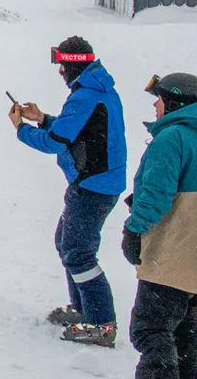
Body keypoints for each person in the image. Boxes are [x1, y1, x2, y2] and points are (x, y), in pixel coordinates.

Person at [119, 73, 197, 379]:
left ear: (176, 103)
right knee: (187, 325)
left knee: (150, 328)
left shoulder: (170, 139)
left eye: (160, 98)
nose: (155, 104)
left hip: (175, 249)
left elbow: (156, 195)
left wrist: (133, 229)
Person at [10, 36, 128, 346]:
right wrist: (43, 119)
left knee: (78, 252)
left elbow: (54, 143)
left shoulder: (85, 96)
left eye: (62, 65)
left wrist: (21, 128)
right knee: (67, 244)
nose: (60, 71)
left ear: (73, 65)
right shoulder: (97, 89)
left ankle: (102, 323)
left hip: (93, 186)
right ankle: (84, 309)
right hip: (94, 183)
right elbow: (79, 130)